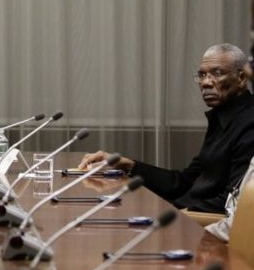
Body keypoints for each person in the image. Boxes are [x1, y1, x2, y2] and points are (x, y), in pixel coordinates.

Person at [78, 43, 254, 215]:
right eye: (201, 75)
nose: (206, 83)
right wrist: (127, 165)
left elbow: (233, 203)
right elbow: (183, 183)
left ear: (241, 78)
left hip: (207, 227)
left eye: (217, 73)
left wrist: (179, 217)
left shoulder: (249, 123)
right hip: (190, 217)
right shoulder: (221, 118)